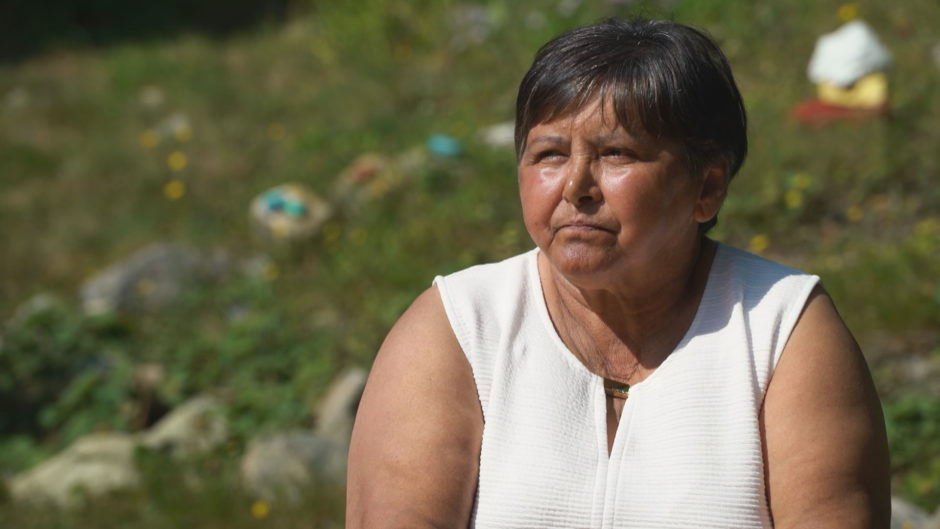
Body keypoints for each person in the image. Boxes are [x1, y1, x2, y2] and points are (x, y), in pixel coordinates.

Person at [346, 18, 890, 528]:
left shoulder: (781, 328)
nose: (575, 186)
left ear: (706, 189)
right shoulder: (461, 328)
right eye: (549, 154)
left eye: (617, 153)